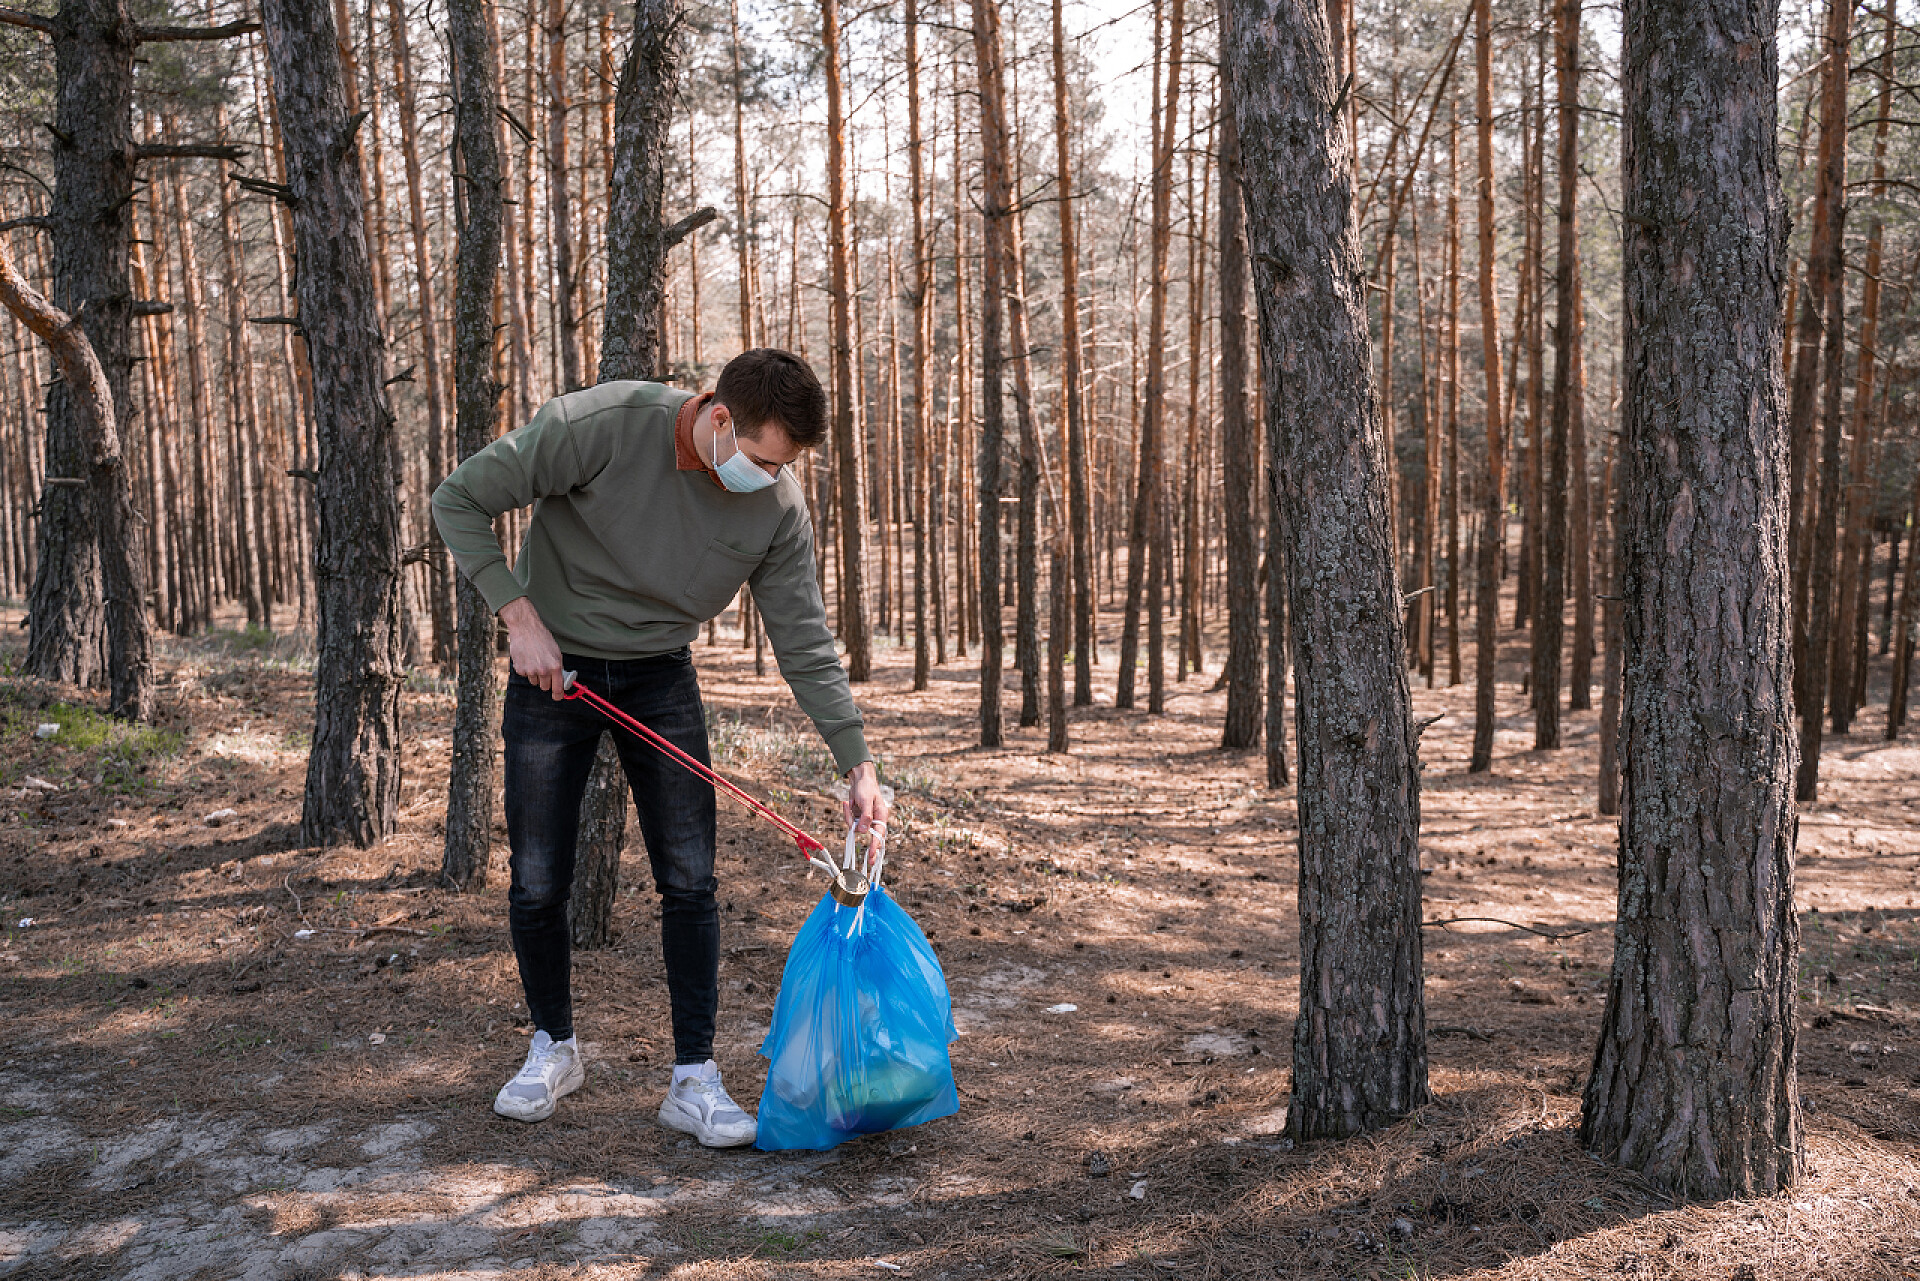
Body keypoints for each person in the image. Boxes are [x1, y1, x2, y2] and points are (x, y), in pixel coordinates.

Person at [432, 349, 889, 1147]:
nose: (771, 477)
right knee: (538, 877)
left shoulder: (776, 505)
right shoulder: (604, 424)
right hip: (554, 669)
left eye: (784, 465)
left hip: (660, 676)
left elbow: (804, 639)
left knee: (689, 876)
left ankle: (692, 1078)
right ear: (719, 418)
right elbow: (458, 497)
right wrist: (517, 615)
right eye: (760, 458)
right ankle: (553, 1046)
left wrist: (858, 760)